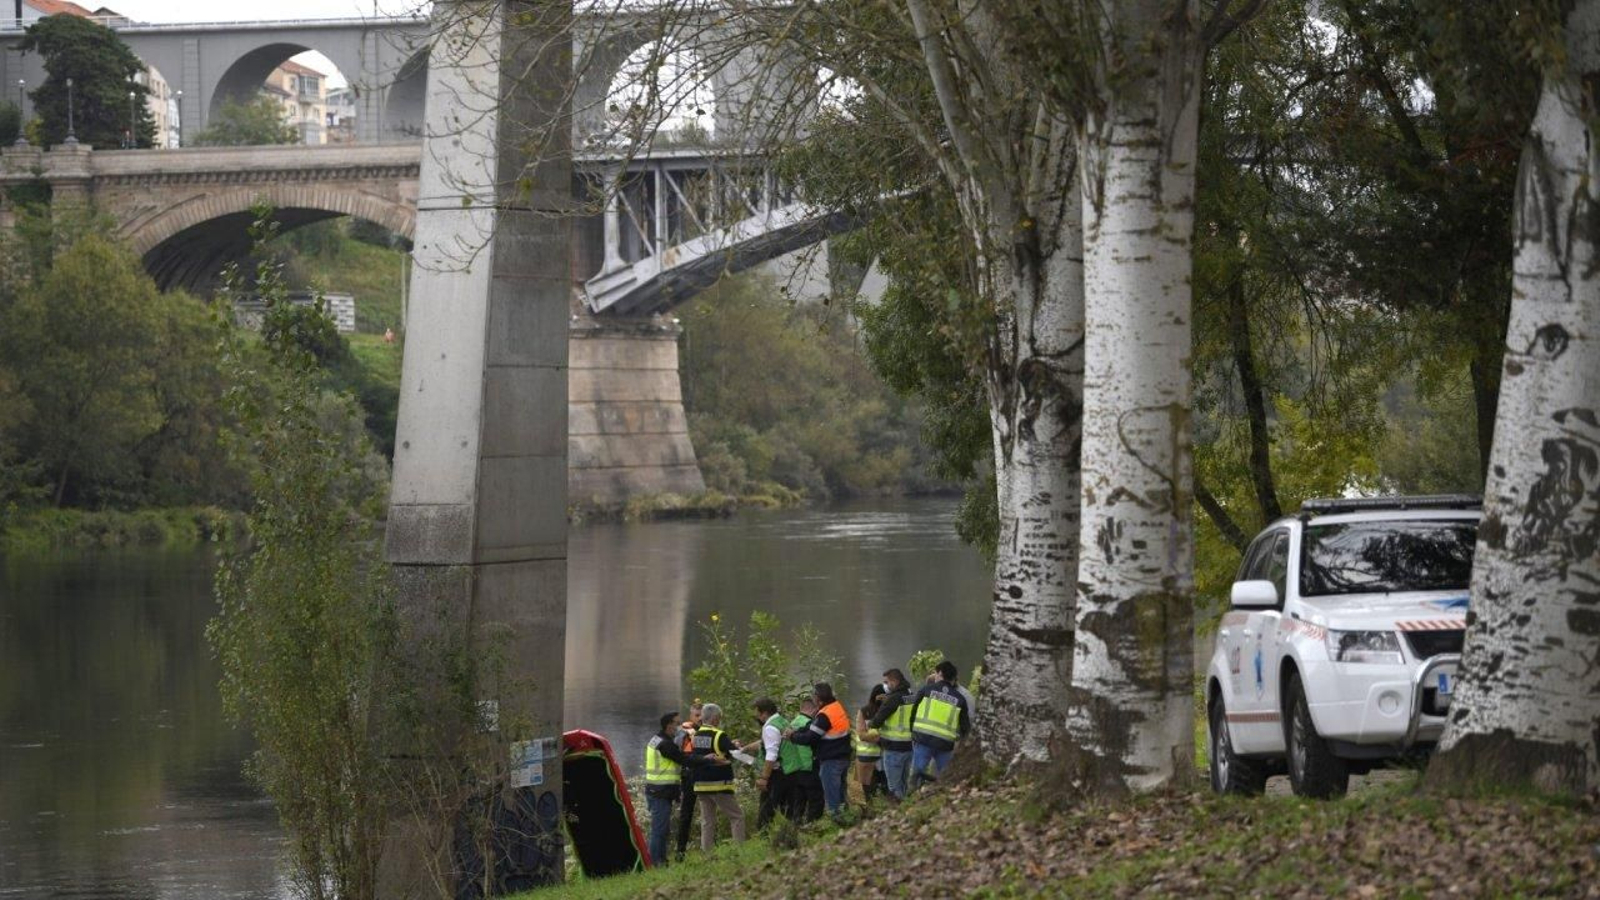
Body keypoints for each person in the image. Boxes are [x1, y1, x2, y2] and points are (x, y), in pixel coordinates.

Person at [644, 711, 729, 866]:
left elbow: (682, 755)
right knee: (659, 830)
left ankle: (661, 860)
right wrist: (707, 759)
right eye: (677, 723)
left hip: (657, 790)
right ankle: (656, 863)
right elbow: (684, 759)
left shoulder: (657, 739)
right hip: (660, 791)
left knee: (662, 829)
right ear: (669, 724)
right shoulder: (665, 744)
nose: (679, 726)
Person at [787, 682, 852, 817]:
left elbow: (810, 738)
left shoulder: (824, 715)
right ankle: (846, 816)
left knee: (832, 792)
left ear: (817, 697)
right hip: (842, 756)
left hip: (831, 760)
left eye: (813, 696)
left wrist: (792, 736)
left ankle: (837, 819)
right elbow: (812, 728)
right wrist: (798, 731)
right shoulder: (836, 706)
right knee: (840, 790)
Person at [689, 703, 746, 851]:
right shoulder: (719, 734)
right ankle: (739, 850)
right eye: (719, 718)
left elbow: (702, 753)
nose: (719, 721)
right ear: (714, 719)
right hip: (719, 784)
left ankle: (706, 854)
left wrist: (729, 746)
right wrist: (737, 745)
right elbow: (735, 753)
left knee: (707, 822)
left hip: (701, 785)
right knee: (736, 817)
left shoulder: (696, 735)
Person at [910, 660, 971, 789]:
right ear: (954, 678)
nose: (935, 676)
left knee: (916, 776)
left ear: (940, 673)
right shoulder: (960, 699)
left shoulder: (925, 691)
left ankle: (911, 799)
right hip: (945, 744)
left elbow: (913, 714)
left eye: (936, 673)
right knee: (944, 777)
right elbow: (965, 728)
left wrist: (913, 734)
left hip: (923, 740)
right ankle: (941, 796)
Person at [870, 668, 916, 799]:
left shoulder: (893, 699)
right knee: (906, 784)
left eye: (886, 681)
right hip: (910, 746)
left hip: (893, 748)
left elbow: (876, 722)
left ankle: (898, 813)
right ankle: (907, 809)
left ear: (894, 681)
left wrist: (869, 723)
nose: (885, 685)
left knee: (894, 788)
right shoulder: (912, 694)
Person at [780, 696, 825, 823]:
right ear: (814, 710)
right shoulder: (810, 724)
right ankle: (813, 826)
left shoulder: (792, 723)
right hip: (809, 767)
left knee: (798, 802)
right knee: (815, 800)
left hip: (794, 768)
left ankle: (796, 827)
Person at [744, 697, 787, 830]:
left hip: (776, 773)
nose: (756, 716)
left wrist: (764, 778)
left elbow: (771, 754)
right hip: (787, 770)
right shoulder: (780, 721)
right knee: (787, 806)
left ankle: (763, 837)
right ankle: (792, 831)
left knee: (766, 810)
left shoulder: (769, 727)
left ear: (765, 713)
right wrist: (745, 748)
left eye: (757, 713)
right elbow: (765, 743)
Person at [673, 702, 703, 860]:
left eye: (702, 715)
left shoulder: (708, 730)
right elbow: (677, 750)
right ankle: (680, 851)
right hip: (688, 776)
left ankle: (708, 847)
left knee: (708, 811)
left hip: (703, 774)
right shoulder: (683, 732)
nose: (700, 719)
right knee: (686, 814)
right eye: (697, 715)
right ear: (691, 716)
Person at [854, 700, 884, 800]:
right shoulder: (865, 712)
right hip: (868, 758)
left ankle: (874, 810)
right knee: (872, 791)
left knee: (871, 792)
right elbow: (862, 735)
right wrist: (880, 739)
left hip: (867, 758)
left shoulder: (863, 711)